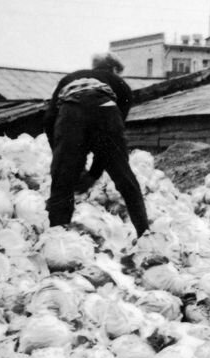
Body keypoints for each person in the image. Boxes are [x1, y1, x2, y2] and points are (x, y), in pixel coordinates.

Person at [44, 53, 149, 237]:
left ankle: (58, 238)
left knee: (62, 182)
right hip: (105, 109)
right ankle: (145, 234)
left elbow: (49, 120)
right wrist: (94, 173)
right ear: (114, 69)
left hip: (71, 111)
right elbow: (111, 139)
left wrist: (63, 159)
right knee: (124, 176)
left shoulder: (68, 79)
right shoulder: (120, 84)